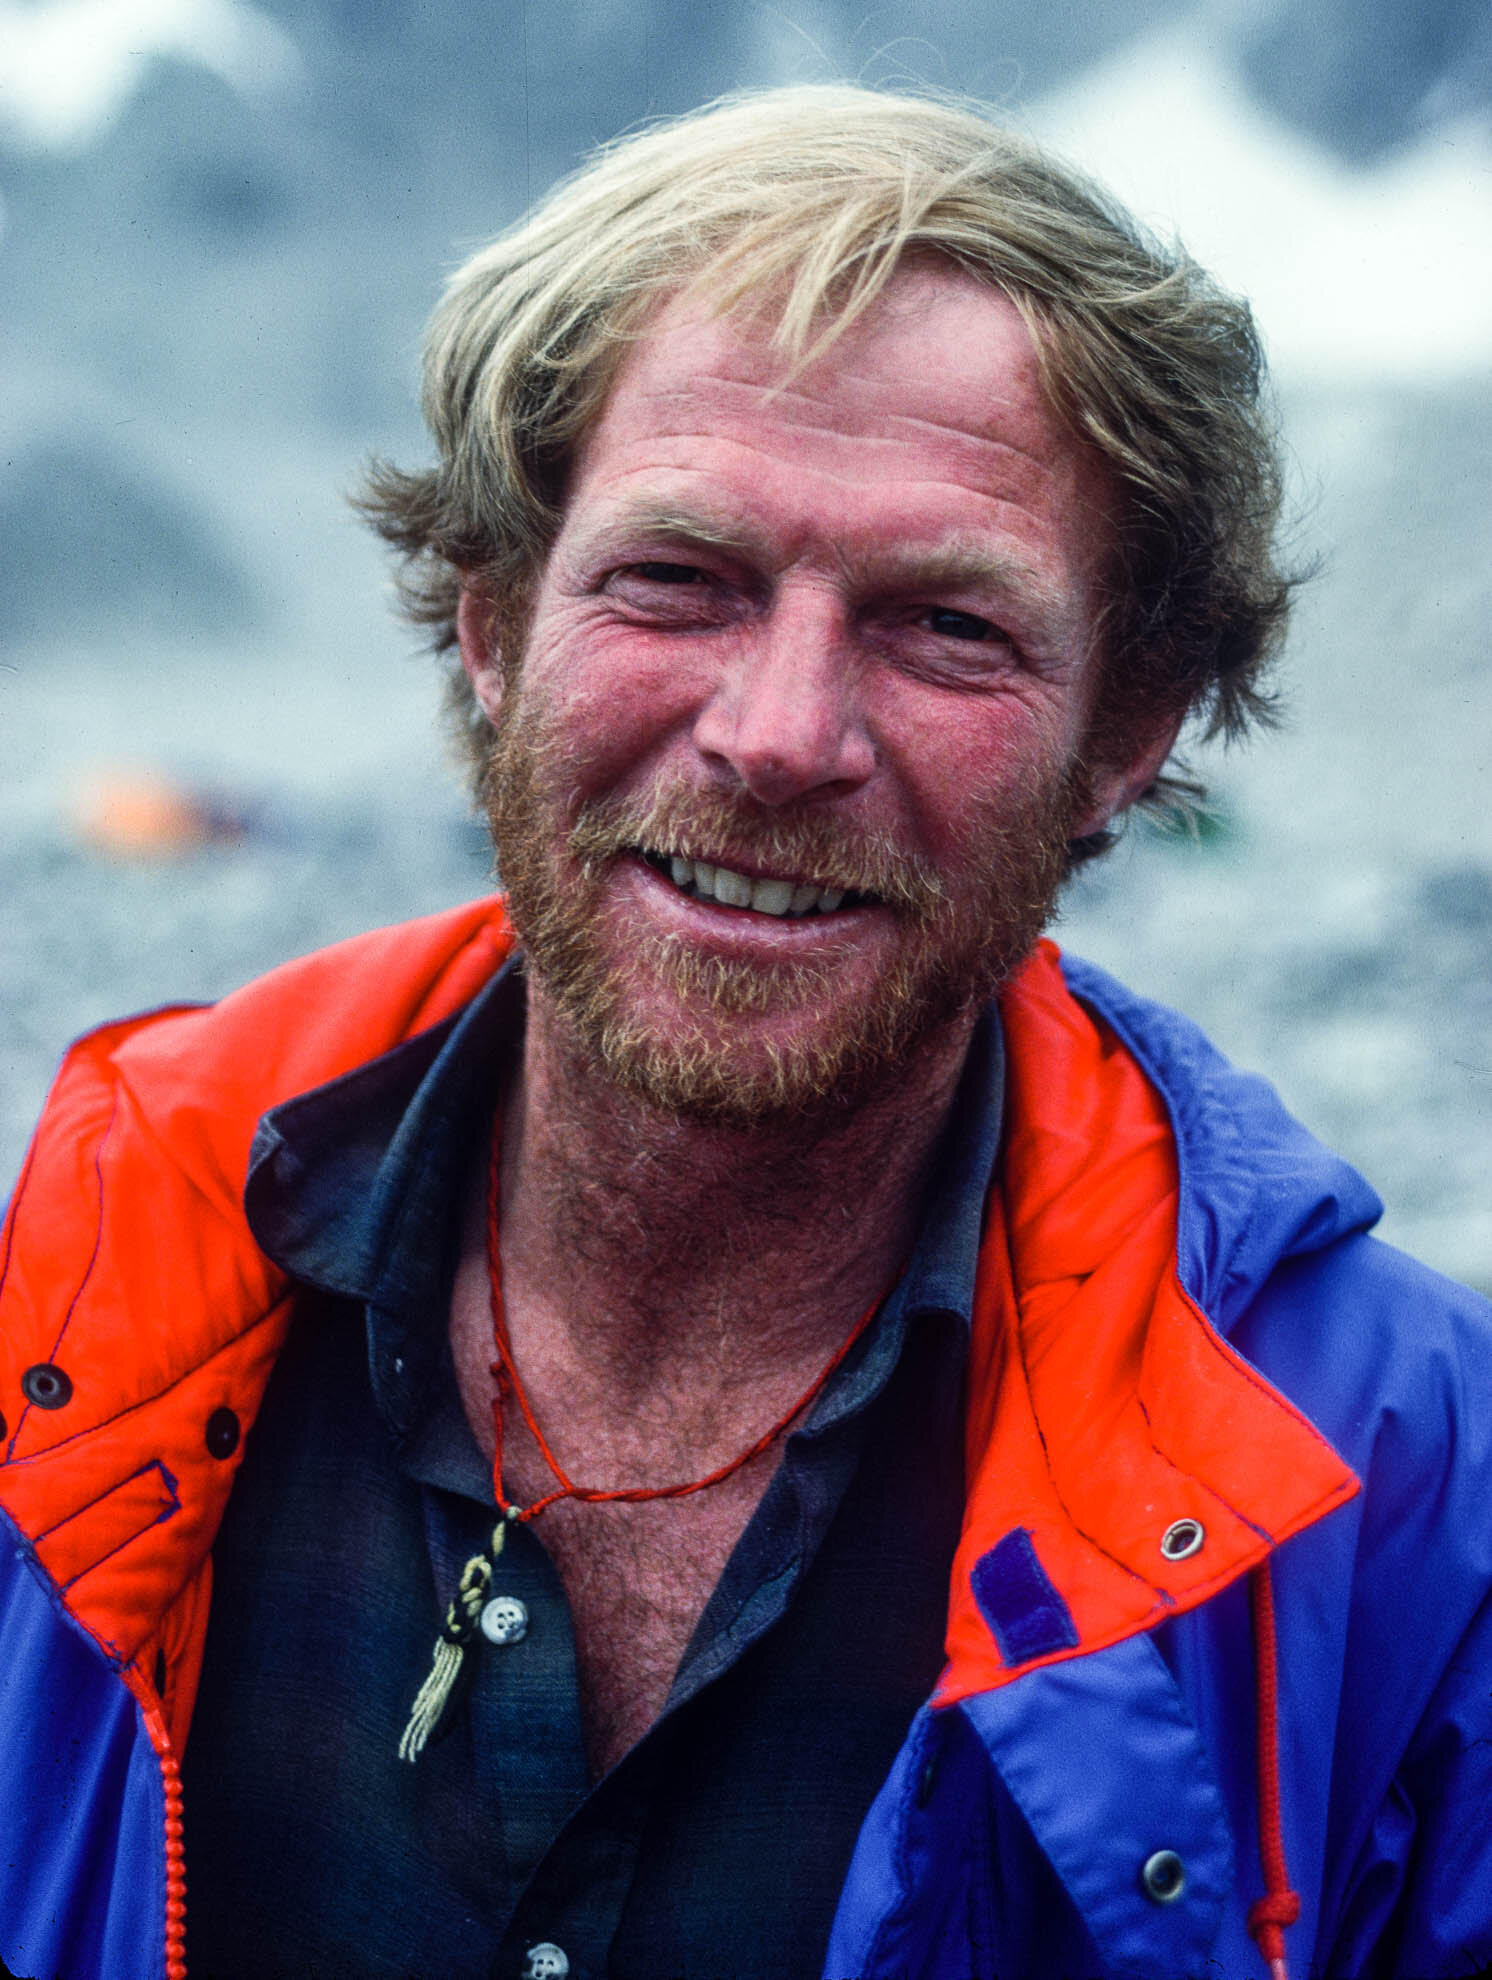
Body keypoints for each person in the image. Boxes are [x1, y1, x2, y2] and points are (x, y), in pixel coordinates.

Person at [1, 84, 1489, 1980]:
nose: (781, 733)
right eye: (677, 580)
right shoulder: (71, 1308)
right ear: (492, 628)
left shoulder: (1405, 1506)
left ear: (1130, 730)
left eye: (946, 624)